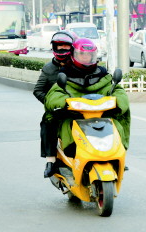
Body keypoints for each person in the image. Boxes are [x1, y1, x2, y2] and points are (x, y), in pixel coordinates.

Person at [43, 38, 131, 177]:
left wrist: (118, 102)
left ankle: (117, 155)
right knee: (50, 121)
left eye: (89, 55)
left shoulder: (102, 75)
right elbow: (53, 95)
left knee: (118, 123)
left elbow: (118, 91)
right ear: (74, 55)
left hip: (101, 116)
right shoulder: (66, 74)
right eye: (82, 55)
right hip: (75, 117)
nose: (86, 58)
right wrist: (65, 103)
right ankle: (52, 160)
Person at [33, 30, 76, 178]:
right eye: (59, 47)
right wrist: (51, 104)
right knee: (48, 124)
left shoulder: (78, 65)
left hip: (79, 108)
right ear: (54, 48)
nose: (62, 50)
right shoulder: (48, 68)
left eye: (65, 47)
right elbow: (38, 90)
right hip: (57, 111)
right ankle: (50, 161)